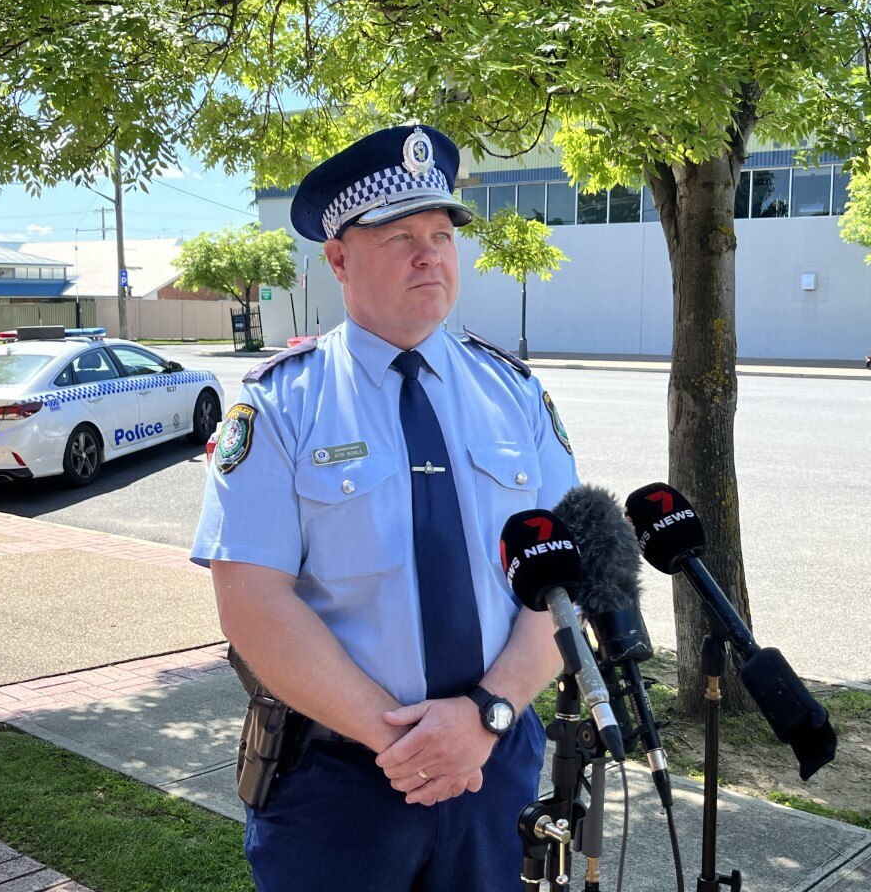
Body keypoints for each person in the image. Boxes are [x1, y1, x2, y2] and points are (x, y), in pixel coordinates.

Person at [191, 123, 580, 892]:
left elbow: (566, 580)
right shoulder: (280, 404)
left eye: (440, 233)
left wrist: (481, 719)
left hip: (492, 763)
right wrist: (409, 743)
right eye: (400, 235)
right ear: (338, 258)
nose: (429, 253)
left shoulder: (515, 394)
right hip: (335, 782)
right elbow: (252, 603)